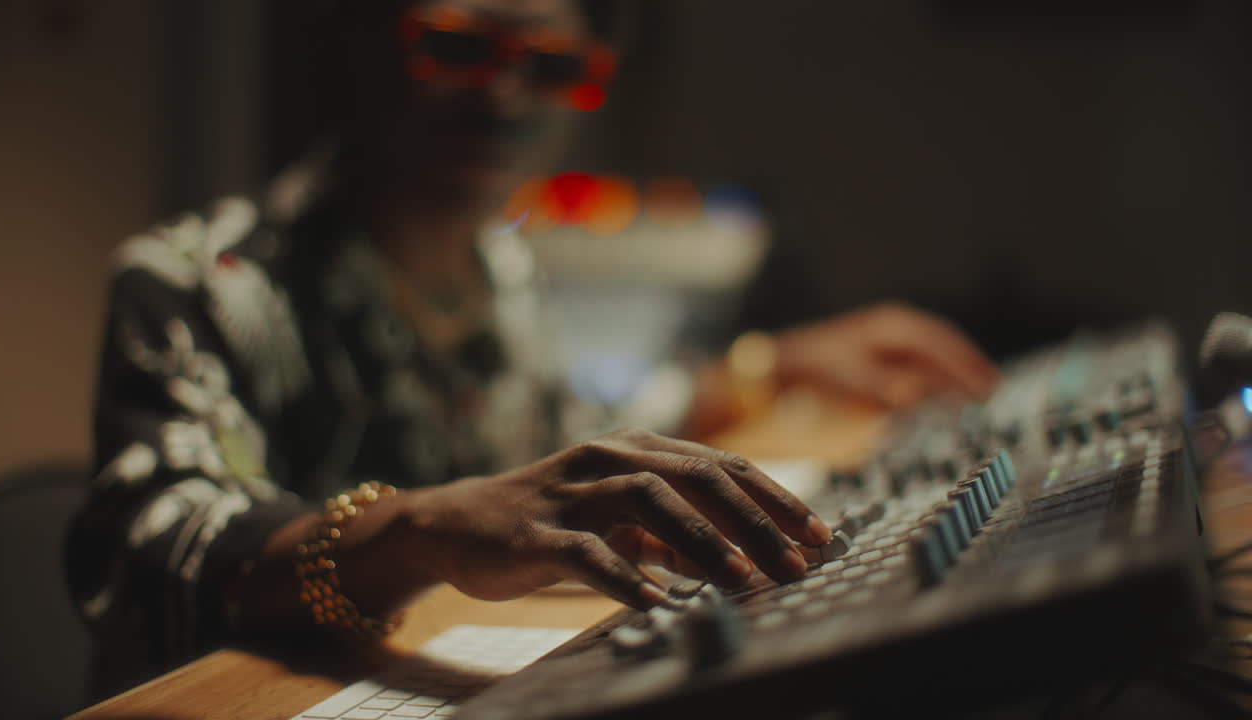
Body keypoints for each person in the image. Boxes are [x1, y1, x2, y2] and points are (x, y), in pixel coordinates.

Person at [67, 0, 998, 694]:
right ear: (361, 40)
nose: (506, 95)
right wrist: (428, 526)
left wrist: (769, 365)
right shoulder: (195, 280)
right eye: (461, 48)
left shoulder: (502, 274)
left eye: (555, 66)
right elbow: (156, 554)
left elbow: (573, 441)